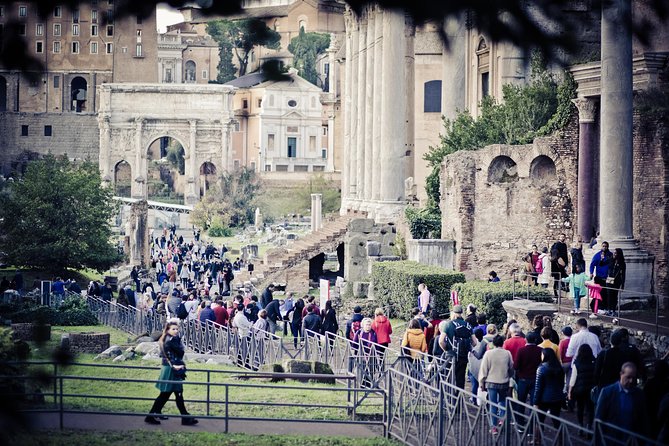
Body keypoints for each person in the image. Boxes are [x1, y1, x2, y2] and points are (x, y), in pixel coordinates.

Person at [145, 322, 197, 425]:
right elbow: (170, 355)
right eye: (173, 329)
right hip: (171, 368)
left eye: (177, 329)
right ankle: (151, 416)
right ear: (168, 330)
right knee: (168, 394)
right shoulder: (170, 340)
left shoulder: (171, 339)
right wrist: (175, 365)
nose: (176, 331)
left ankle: (184, 417)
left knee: (174, 393)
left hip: (172, 367)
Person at [595, 362, 649, 438]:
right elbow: (599, 418)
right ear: (621, 374)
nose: (631, 381)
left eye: (633, 378)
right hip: (612, 439)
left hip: (631, 440)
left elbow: (643, 420)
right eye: (628, 377)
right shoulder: (607, 392)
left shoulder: (639, 394)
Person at [478, 334, 514, 434]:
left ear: (493, 343)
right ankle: (502, 420)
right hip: (504, 382)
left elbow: (484, 369)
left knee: (492, 404)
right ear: (502, 343)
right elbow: (511, 368)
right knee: (502, 401)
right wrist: (509, 376)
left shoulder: (488, 354)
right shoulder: (507, 353)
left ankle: (493, 427)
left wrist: (481, 382)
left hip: (491, 382)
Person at [439, 304, 475, 388]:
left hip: (451, 355)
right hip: (463, 356)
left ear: (453, 313)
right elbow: (475, 342)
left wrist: (446, 349)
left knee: (449, 378)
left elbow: (441, 341)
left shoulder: (448, 324)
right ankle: (459, 398)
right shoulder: (468, 325)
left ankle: (449, 399)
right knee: (460, 379)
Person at [533, 348, 565, 428]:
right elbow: (561, 383)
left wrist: (535, 402)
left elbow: (538, 387)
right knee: (556, 418)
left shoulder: (541, 368)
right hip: (557, 397)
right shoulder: (559, 368)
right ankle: (560, 437)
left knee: (540, 420)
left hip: (544, 398)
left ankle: (538, 439)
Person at [568, 344, 596, 434]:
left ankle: (580, 426)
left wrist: (569, 391)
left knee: (580, 408)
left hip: (579, 389)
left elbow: (573, 379)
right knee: (590, 409)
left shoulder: (577, 363)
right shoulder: (594, 362)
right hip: (590, 389)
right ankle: (589, 427)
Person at [514, 332, 543, 416]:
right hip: (535, 379)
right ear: (535, 340)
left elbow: (516, 366)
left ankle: (520, 423)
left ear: (525, 340)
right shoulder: (540, 350)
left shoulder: (521, 350)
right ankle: (532, 421)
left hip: (523, 379)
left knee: (521, 402)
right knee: (534, 402)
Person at [604, 248, 626, 316]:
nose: (614, 254)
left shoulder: (622, 263)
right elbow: (602, 263)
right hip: (609, 280)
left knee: (614, 296)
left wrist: (622, 285)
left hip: (617, 281)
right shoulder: (611, 260)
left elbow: (623, 274)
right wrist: (602, 259)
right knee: (608, 295)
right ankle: (609, 310)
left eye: (615, 253)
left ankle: (613, 310)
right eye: (614, 253)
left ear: (619, 254)